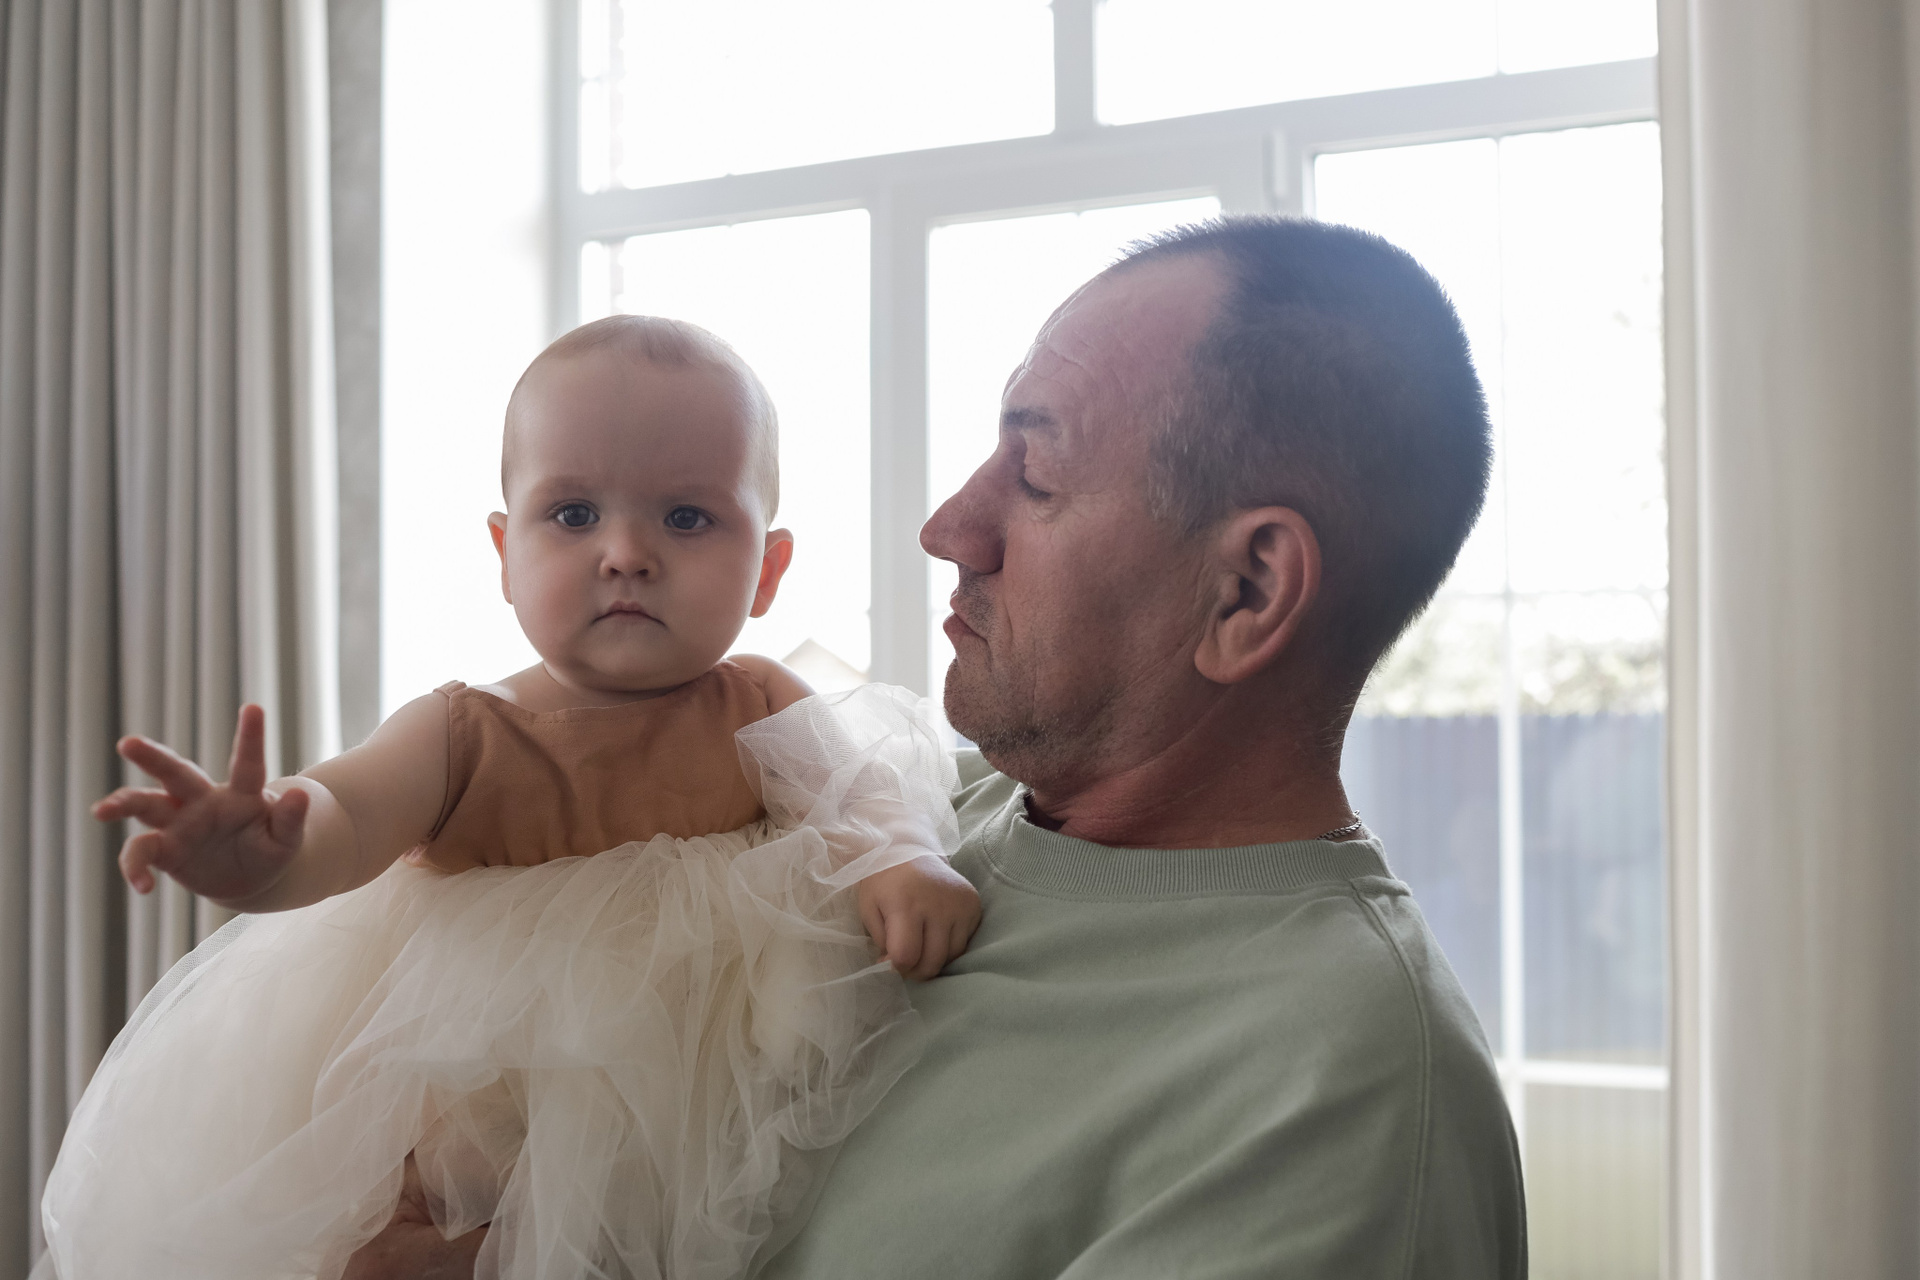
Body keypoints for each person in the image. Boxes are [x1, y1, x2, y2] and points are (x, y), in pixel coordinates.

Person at [326, 214, 1529, 1277]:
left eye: (1036, 473)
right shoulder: (887, 808)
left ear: (1249, 589)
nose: (948, 524)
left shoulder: (1339, 1094)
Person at [40, 317, 982, 1279]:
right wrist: (264, 853)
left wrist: (902, 855)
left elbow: (856, 792)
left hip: (704, 1108)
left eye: (686, 518)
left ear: (769, 570)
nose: (626, 553)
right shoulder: (460, 732)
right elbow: (346, 816)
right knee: (407, 1253)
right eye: (573, 515)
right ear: (503, 551)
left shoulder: (762, 700)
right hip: (474, 1118)